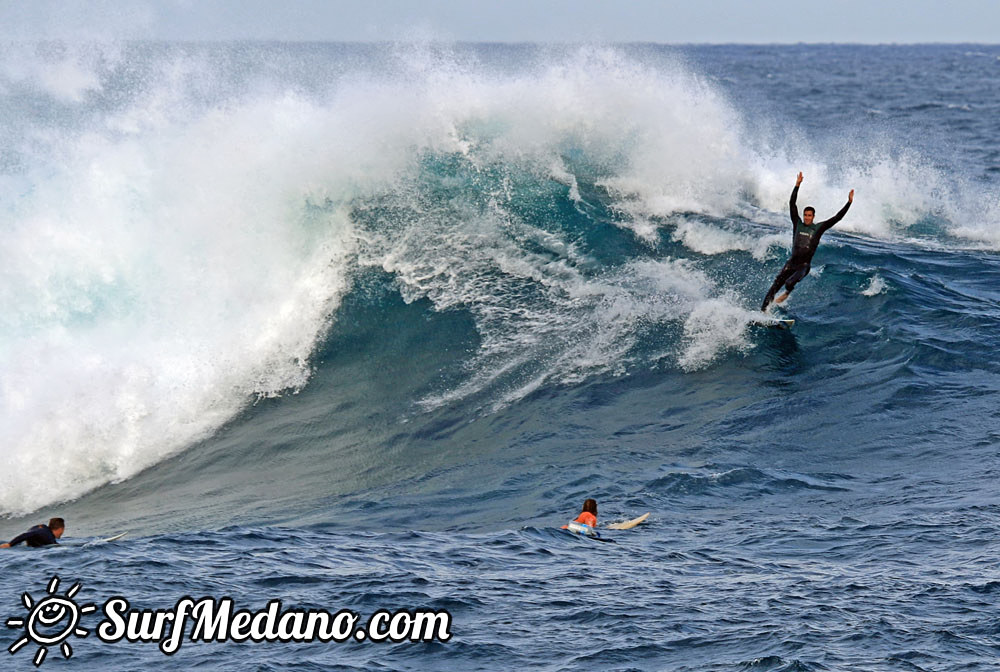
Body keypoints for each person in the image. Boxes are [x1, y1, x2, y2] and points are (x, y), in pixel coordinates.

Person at [762, 172, 854, 311]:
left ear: (813, 216)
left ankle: (787, 293)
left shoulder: (818, 228)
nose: (806, 217)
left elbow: (837, 217)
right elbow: (792, 203)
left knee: (789, 282)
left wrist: (849, 202)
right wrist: (797, 185)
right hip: (791, 262)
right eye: (805, 215)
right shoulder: (797, 223)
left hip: (803, 266)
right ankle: (763, 312)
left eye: (809, 215)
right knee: (774, 287)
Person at [0, 517, 65, 548]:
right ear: (61, 529)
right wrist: (10, 544)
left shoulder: (42, 527)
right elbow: (27, 534)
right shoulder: (48, 536)